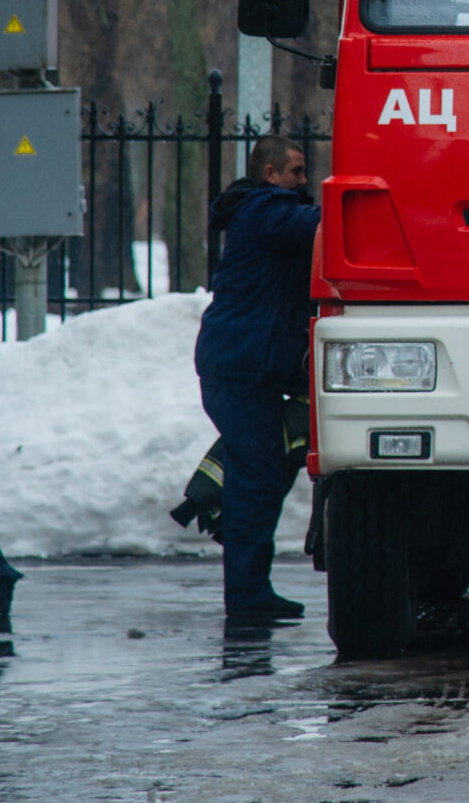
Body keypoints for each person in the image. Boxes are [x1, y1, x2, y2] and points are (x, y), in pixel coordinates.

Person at [195, 136, 321, 625]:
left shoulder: (261, 211)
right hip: (239, 366)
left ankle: (251, 585)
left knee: (262, 470)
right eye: (297, 171)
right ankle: (247, 596)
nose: (304, 180)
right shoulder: (266, 210)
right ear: (270, 174)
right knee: (256, 477)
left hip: (247, 364)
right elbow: (322, 225)